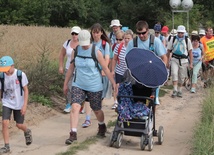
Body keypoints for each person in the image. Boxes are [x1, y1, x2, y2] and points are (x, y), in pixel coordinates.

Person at [63, 30, 117, 145]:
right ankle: (73, 133)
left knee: (96, 109)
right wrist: (65, 83)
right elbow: (71, 68)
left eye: (86, 43)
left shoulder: (96, 52)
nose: (84, 46)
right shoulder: (76, 51)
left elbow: (105, 68)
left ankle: (102, 125)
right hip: (78, 84)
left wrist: (113, 83)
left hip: (94, 85)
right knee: (75, 107)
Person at [126, 20, 167, 107]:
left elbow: (164, 57)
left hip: (151, 74)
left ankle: (151, 117)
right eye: (138, 33)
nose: (141, 35)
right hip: (136, 76)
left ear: (148, 30)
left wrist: (160, 71)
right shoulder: (132, 43)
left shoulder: (155, 41)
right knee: (137, 100)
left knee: (151, 102)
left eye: (143, 33)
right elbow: (127, 58)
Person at [0, 56, 32, 154]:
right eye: (3, 70)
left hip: (19, 103)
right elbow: (1, 90)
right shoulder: (1, 76)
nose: (5, 72)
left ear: (12, 66)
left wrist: (25, 105)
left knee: (19, 124)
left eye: (7, 69)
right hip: (7, 102)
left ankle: (27, 131)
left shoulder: (20, 75)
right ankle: (6, 146)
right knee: (4, 122)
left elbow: (26, 90)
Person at [81, 23, 111, 128]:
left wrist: (104, 69)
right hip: (90, 74)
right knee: (88, 97)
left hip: (101, 74)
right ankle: (87, 119)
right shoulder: (88, 43)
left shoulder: (105, 45)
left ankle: (97, 112)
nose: (95, 34)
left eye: (97, 32)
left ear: (101, 33)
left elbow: (107, 58)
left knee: (98, 97)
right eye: (93, 32)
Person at [59, 26, 81, 113]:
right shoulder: (67, 43)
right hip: (69, 68)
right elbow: (61, 55)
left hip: (79, 69)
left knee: (78, 87)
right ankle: (68, 104)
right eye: (73, 33)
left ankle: (79, 104)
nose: (74, 35)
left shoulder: (82, 44)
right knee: (68, 86)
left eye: (76, 34)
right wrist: (60, 66)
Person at [167, 25, 193, 98]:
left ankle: (180, 90)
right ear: (177, 33)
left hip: (184, 60)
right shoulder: (173, 39)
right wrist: (167, 62)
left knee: (181, 77)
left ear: (184, 33)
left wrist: (191, 63)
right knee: (174, 74)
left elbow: (190, 52)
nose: (180, 34)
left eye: (182, 33)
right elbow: (168, 50)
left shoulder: (187, 40)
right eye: (179, 33)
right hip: (174, 59)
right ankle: (175, 90)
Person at [111, 30, 126, 109]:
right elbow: (114, 59)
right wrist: (112, 70)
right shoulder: (117, 47)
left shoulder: (128, 46)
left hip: (127, 72)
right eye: (117, 39)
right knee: (117, 86)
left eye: (120, 39)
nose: (118, 41)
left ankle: (124, 101)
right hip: (119, 70)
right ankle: (116, 102)